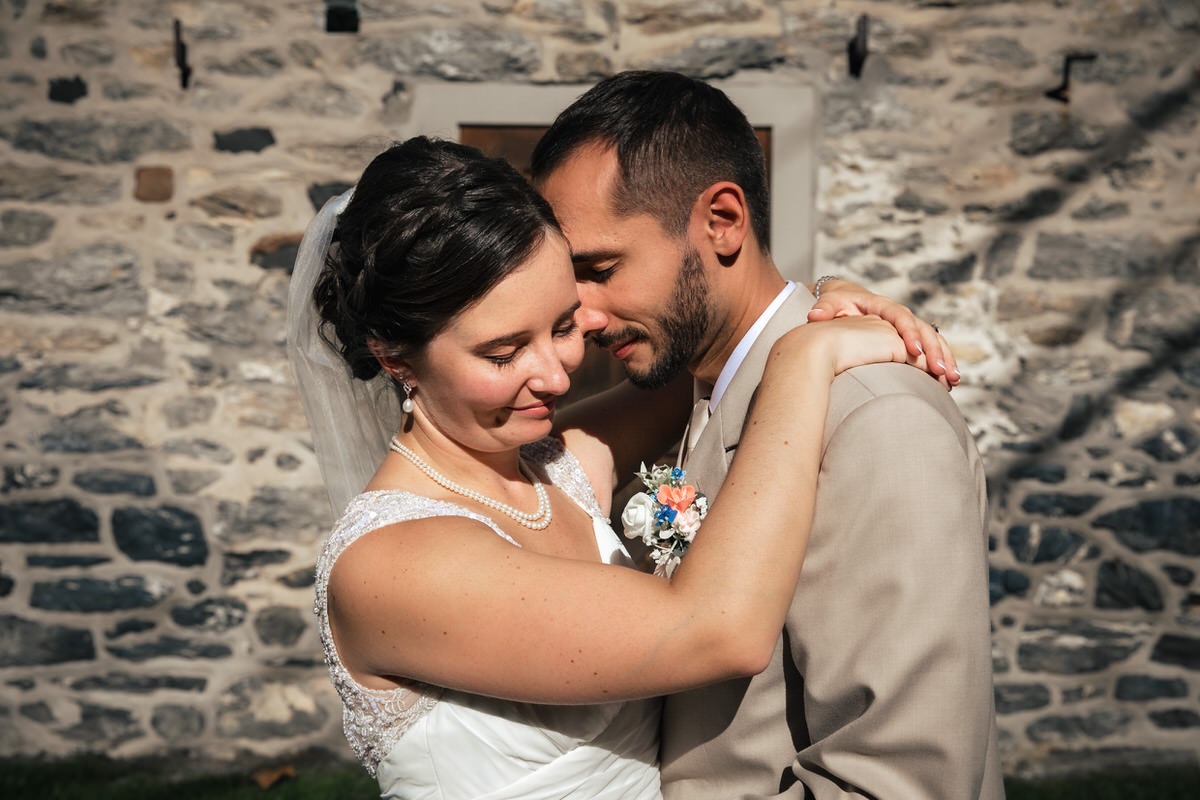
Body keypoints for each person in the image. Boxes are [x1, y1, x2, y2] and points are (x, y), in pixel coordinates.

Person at [287, 136, 951, 799]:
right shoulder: (391, 566)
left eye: (564, 325)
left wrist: (824, 299)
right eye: (503, 352)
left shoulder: (559, 464)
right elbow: (718, 629)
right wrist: (807, 357)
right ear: (396, 358)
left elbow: (728, 334)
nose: (554, 374)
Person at [531, 71, 1004, 799]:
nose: (584, 316)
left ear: (722, 219)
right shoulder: (688, 393)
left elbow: (901, 783)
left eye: (601, 269)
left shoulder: (877, 420)